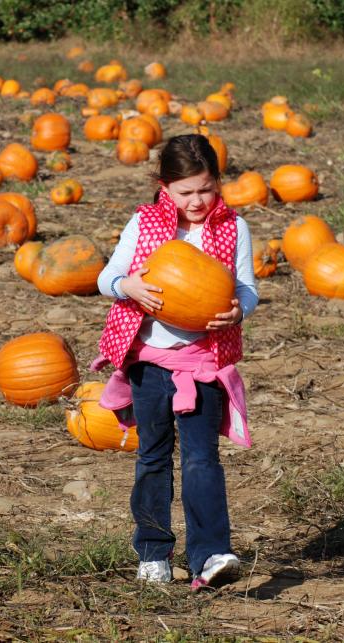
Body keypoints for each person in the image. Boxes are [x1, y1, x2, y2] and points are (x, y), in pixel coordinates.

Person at [91, 133, 258, 591]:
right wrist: (129, 287)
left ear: (218, 183)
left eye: (206, 189)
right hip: (149, 364)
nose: (198, 200)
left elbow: (247, 286)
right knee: (153, 458)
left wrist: (241, 308)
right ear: (165, 187)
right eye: (186, 192)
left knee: (203, 460)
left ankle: (209, 554)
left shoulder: (233, 228)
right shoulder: (144, 224)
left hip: (204, 362)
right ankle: (152, 551)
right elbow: (108, 277)